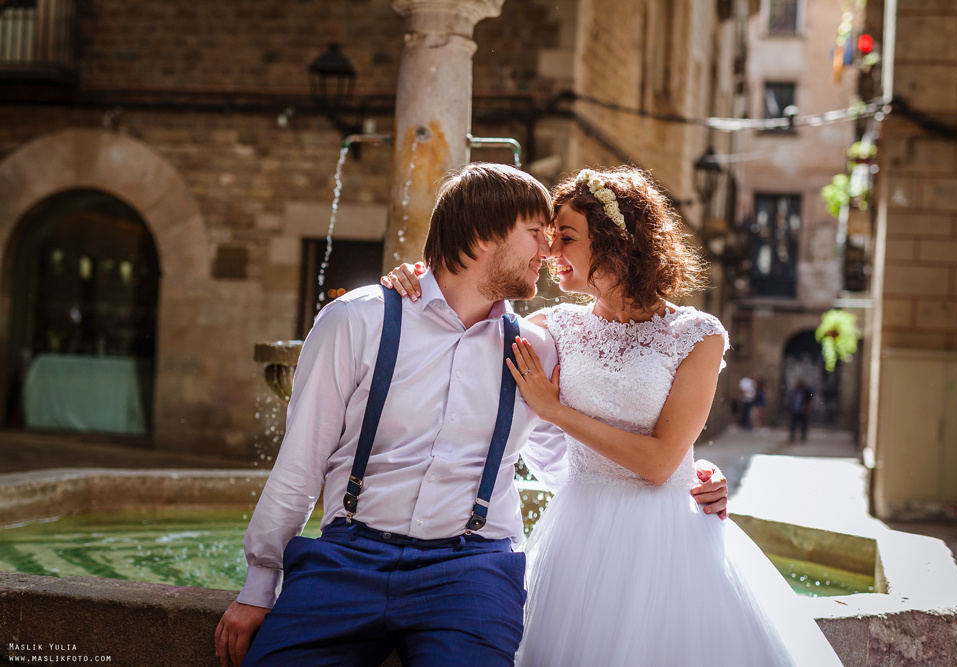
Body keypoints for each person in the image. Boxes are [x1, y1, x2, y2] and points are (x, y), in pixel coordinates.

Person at [214, 163, 729, 667]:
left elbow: (566, 462)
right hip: (349, 557)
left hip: (471, 570)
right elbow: (299, 464)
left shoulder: (540, 347)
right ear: (482, 238)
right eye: (536, 233)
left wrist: (687, 477)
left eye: (558, 237)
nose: (548, 251)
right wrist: (260, 586)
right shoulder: (359, 319)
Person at [385, 166, 842, 666]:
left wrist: (556, 411)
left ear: (616, 242)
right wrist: (416, 276)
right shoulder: (551, 327)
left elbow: (661, 462)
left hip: (671, 537)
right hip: (579, 532)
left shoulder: (697, 334)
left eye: (566, 237)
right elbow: (466, 303)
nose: (551, 252)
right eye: (549, 237)